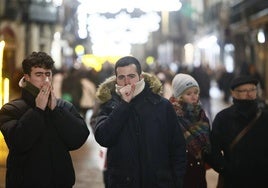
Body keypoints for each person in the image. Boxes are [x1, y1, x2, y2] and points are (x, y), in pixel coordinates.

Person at [92, 56, 186, 188]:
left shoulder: (161, 105)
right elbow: (104, 137)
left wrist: (177, 181)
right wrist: (123, 105)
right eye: (121, 77)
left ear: (140, 77)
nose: (126, 82)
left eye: (131, 76)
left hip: (158, 182)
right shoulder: (109, 105)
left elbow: (177, 147)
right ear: (116, 80)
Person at [0, 51, 90, 188]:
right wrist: (38, 111)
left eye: (48, 74)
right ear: (27, 77)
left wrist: (57, 112)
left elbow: (78, 138)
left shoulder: (64, 106)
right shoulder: (10, 109)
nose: (45, 80)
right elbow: (18, 142)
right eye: (39, 74)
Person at [210, 75, 268, 188]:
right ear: (234, 93)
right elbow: (212, 150)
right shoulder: (223, 118)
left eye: (252, 90)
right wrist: (226, 170)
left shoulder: (264, 117)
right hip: (234, 181)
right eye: (244, 91)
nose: (249, 94)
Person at [169, 73, 211, 188]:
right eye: (188, 93)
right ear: (179, 96)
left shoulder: (201, 115)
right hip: (180, 176)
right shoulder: (170, 115)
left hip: (199, 174)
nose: (194, 97)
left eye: (196, 92)